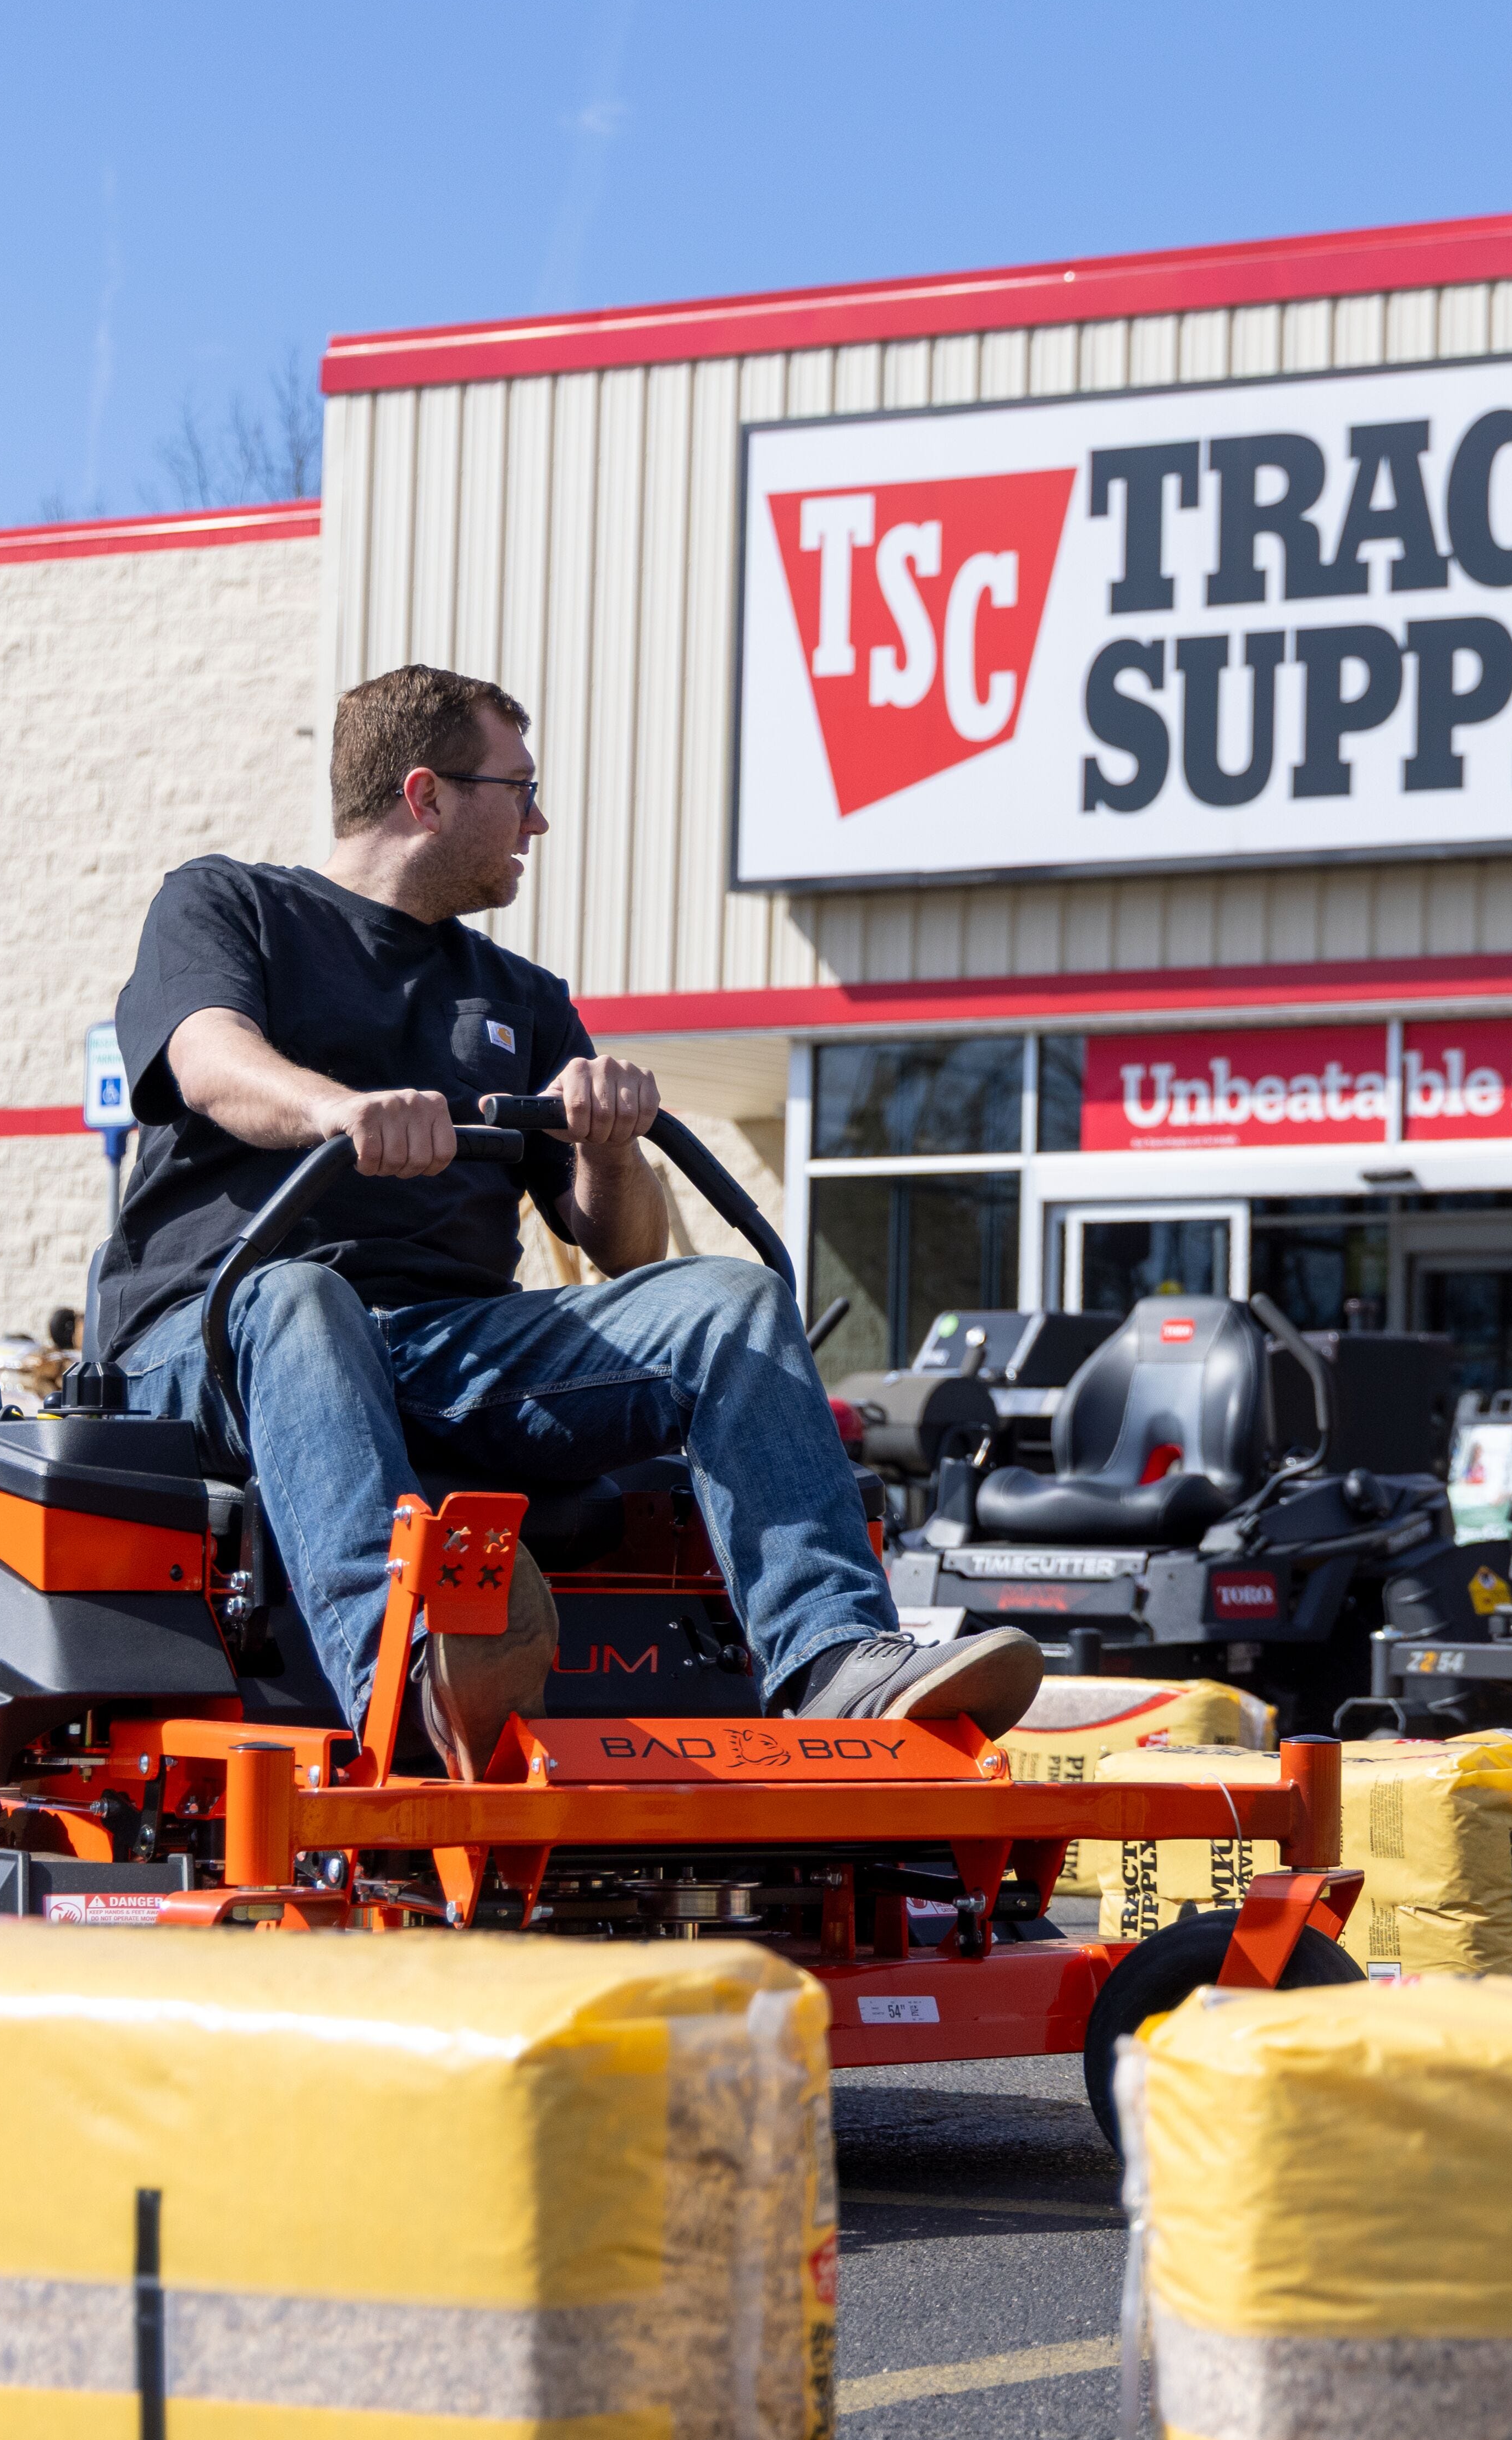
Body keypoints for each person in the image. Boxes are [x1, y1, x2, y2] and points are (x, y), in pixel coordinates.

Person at [92, 663, 1040, 1751]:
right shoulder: (229, 904)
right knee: (306, 1297)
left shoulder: (525, 999)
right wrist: (341, 1111)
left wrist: (611, 1149)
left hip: (446, 1348)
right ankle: (406, 1678)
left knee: (726, 1300)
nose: (537, 820)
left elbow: (624, 1253)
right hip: (216, 1339)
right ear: (425, 795)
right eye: (519, 788)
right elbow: (212, 1059)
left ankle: (832, 1655)